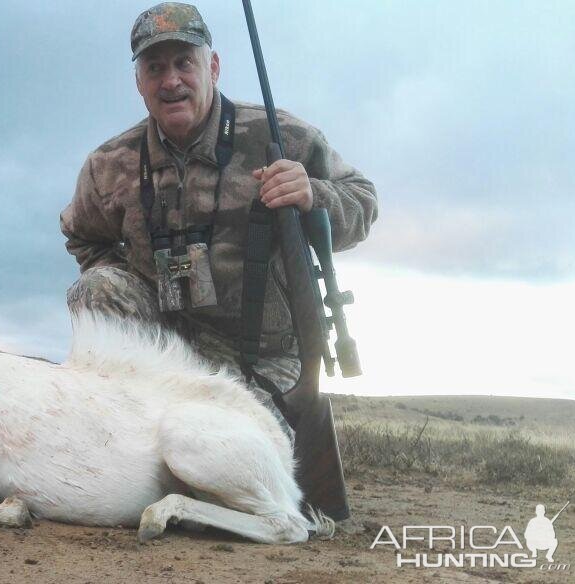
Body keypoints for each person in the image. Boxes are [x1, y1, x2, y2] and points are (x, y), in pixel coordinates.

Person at [60, 2, 378, 438]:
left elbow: (363, 201)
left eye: (183, 63)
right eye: (155, 68)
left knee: (223, 448)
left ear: (213, 66)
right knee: (95, 291)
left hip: (261, 357)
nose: (171, 81)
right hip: (166, 351)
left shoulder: (282, 137)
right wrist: (136, 278)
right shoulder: (108, 164)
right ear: (139, 83)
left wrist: (313, 194)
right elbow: (82, 236)